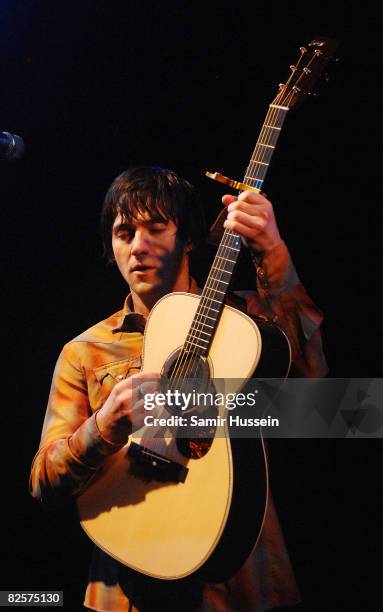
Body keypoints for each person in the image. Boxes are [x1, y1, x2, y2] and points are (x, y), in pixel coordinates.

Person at [30, 166, 327, 611]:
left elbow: (323, 399)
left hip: (240, 574)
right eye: (124, 232)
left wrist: (272, 251)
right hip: (126, 582)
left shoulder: (246, 325)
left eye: (155, 228)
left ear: (188, 238)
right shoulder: (86, 350)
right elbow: (42, 484)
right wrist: (101, 427)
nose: (138, 247)